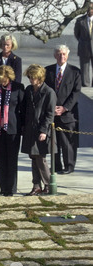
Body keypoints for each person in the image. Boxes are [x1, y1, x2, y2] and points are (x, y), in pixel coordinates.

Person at [0, 66, 25, 196]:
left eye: (3, 80)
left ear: (9, 77)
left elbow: (23, 110)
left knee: (11, 160)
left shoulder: (18, 87)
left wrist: (23, 128)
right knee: (1, 160)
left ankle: (11, 188)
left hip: (12, 129)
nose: (1, 82)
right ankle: (3, 187)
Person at [45, 45, 82, 175]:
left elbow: (76, 92)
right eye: (59, 54)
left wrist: (65, 108)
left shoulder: (75, 71)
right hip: (52, 112)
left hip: (69, 114)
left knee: (68, 143)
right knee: (54, 142)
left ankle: (69, 166)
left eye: (64, 54)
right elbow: (46, 91)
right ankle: (56, 166)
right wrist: (51, 107)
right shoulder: (47, 71)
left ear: (67, 55)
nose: (62, 56)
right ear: (55, 55)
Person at [22, 64, 57, 196]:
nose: (31, 79)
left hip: (42, 130)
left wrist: (43, 131)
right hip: (30, 130)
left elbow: (49, 114)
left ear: (40, 77)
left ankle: (48, 185)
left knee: (40, 158)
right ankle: (36, 185)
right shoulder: (29, 90)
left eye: (33, 77)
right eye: (30, 77)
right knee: (33, 157)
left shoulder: (49, 92)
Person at [74, 2, 93, 87]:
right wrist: (83, 42)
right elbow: (77, 34)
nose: (90, 11)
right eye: (88, 9)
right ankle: (85, 85)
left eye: (92, 9)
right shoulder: (80, 20)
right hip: (84, 48)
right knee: (84, 69)